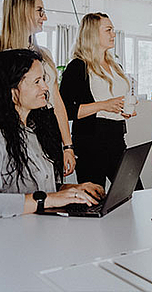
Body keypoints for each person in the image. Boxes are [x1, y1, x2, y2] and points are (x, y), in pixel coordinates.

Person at [0, 50, 104, 222]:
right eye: (37, 81)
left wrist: (71, 189)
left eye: (43, 79)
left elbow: (26, 188)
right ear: (12, 90)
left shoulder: (32, 131)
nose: (45, 87)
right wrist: (48, 200)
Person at [0, 0, 76, 176]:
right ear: (22, 11)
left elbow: (56, 103)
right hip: (6, 130)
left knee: (49, 188)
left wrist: (68, 146)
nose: (44, 17)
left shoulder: (44, 55)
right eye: (40, 11)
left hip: (45, 130)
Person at [60, 12, 143, 190]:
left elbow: (116, 100)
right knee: (94, 199)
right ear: (92, 34)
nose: (114, 34)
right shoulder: (78, 66)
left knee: (133, 193)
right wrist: (104, 106)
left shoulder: (115, 66)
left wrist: (124, 109)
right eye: (108, 30)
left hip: (117, 137)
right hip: (91, 141)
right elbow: (65, 110)